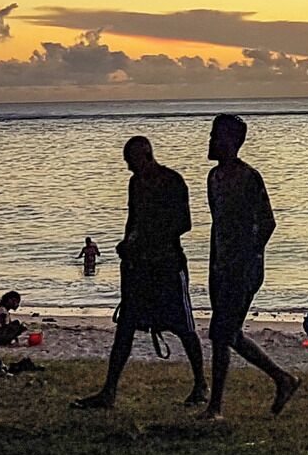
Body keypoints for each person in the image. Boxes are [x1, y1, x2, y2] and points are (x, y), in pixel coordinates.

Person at [76, 136, 209, 409]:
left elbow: (184, 223)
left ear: (145, 156)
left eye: (131, 162)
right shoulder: (135, 183)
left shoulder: (173, 181)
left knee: (184, 327)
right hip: (139, 267)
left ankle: (200, 385)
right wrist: (127, 248)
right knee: (125, 328)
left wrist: (150, 239)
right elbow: (132, 219)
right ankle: (109, 391)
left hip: (167, 265)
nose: (129, 169)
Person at [200, 114, 299, 418]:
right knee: (225, 333)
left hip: (242, 268)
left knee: (222, 333)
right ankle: (282, 379)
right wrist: (217, 261)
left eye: (217, 136)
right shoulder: (214, 178)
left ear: (233, 142)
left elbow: (267, 222)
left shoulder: (248, 177)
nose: (211, 141)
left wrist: (247, 259)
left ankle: (218, 406)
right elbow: (219, 224)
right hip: (220, 266)